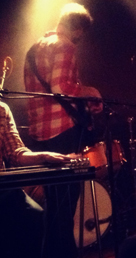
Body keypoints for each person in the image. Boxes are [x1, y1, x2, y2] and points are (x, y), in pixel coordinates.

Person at [23, 2, 103, 258]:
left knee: (53, 205)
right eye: (82, 33)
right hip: (63, 133)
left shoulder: (34, 47)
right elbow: (60, 87)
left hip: (39, 135)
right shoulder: (65, 45)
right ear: (78, 29)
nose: (80, 38)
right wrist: (89, 92)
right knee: (66, 204)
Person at [0, 101, 76, 258]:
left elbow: (15, 152)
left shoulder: (2, 109)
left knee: (32, 215)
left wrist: (43, 156)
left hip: (3, 187)